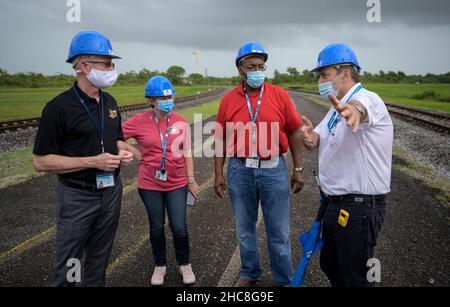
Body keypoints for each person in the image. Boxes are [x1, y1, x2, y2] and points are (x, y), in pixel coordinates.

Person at [32, 31, 134, 287]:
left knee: (99, 261)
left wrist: (124, 151)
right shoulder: (58, 108)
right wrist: (92, 162)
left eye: (112, 63)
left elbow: (117, 138)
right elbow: (41, 162)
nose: (112, 69)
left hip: (111, 191)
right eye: (107, 63)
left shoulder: (109, 101)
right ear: (84, 66)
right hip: (78, 196)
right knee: (69, 264)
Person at [301, 43, 393, 287]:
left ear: (344, 74)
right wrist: (309, 138)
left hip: (359, 208)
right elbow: (316, 140)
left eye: (324, 75)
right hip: (335, 204)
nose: (319, 81)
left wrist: (354, 112)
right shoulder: (334, 109)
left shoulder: (366, 99)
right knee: (332, 267)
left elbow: (359, 110)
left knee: (355, 278)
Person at [214, 42, 305, 287]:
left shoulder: (279, 95)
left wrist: (297, 169)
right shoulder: (228, 101)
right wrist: (218, 174)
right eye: (252, 66)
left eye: (261, 66)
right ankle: (250, 272)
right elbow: (220, 139)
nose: (257, 70)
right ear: (240, 69)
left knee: (278, 231)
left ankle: (284, 278)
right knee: (245, 229)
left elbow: (295, 131)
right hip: (239, 170)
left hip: (273, 169)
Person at [122, 76, 200, 286]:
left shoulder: (181, 122)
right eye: (162, 97)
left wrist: (190, 180)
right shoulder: (138, 121)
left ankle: (185, 264)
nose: (167, 99)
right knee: (156, 226)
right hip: (149, 184)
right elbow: (114, 137)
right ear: (152, 101)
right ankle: (160, 266)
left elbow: (187, 152)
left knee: (179, 226)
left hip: (177, 183)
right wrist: (134, 151)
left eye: (170, 96)